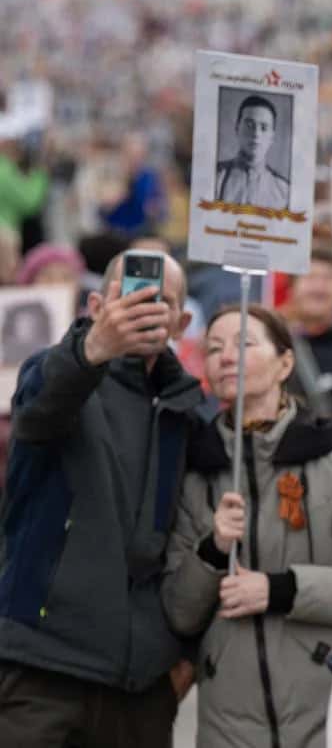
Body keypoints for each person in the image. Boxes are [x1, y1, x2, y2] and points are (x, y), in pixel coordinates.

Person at [162, 304, 332, 748]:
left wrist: (280, 590)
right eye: (214, 349)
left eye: (244, 344)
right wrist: (212, 550)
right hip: (228, 726)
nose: (226, 357)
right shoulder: (195, 472)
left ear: (285, 363)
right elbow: (179, 612)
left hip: (330, 715)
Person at [0, 252, 203, 747]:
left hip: (138, 686)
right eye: (128, 294)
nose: (144, 307)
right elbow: (35, 412)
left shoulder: (188, 410)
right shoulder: (56, 372)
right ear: (96, 303)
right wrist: (93, 349)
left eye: (161, 300)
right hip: (43, 670)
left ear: (182, 321)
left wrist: (183, 655)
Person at [288, 249, 332, 437]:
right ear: (292, 288)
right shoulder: (276, 348)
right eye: (310, 277)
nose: (318, 287)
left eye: (327, 278)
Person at [215, 94, 290, 210]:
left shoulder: (284, 191)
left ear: (272, 137)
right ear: (237, 128)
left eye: (264, 127)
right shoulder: (215, 177)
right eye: (249, 125)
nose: (256, 134)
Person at [0, 300, 52, 367]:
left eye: (30, 324)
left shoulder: (44, 349)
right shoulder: (10, 351)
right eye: (24, 325)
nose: (28, 328)